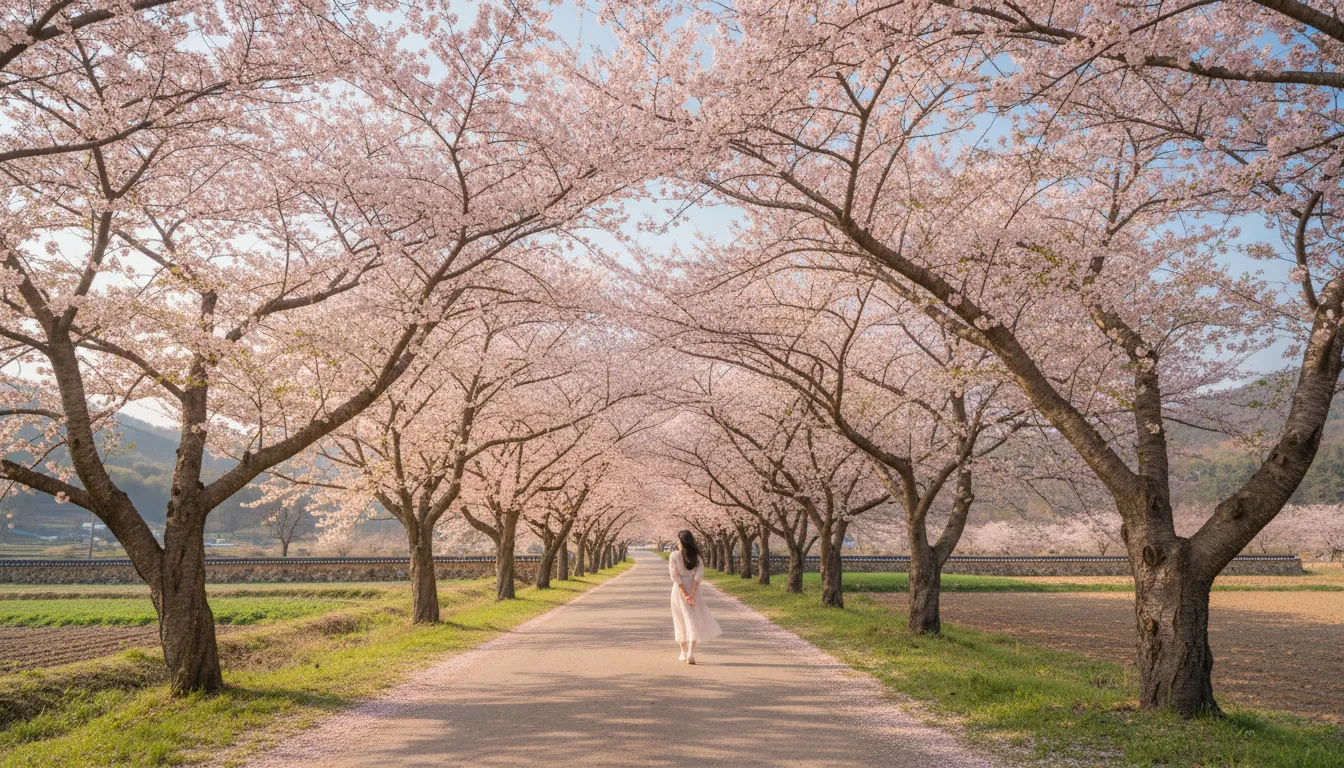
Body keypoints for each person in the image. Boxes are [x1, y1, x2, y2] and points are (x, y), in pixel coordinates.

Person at [669, 529, 722, 664]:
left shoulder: (674, 555)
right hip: (694, 589)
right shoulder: (697, 557)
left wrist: (685, 594)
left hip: (679, 590)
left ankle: (683, 652)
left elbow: (675, 576)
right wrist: (692, 593)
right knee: (693, 620)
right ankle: (690, 652)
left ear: (681, 542)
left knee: (680, 620)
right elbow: (699, 576)